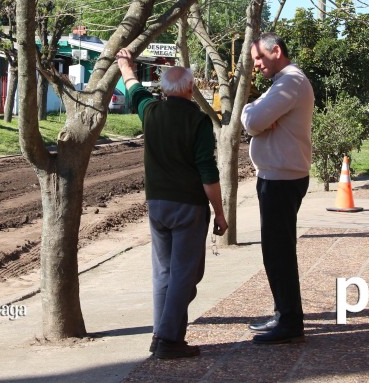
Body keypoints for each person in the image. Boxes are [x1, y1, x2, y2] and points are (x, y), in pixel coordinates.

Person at [116, 49, 228, 360]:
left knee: (163, 272)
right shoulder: (199, 121)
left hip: (157, 206)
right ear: (190, 89)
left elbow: (132, 86)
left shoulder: (150, 112)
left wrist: (125, 64)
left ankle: (161, 335)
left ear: (164, 89)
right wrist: (219, 212)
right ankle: (168, 338)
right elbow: (208, 171)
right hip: (188, 207)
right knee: (185, 275)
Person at [240, 32, 314, 345]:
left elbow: (253, 118)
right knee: (275, 250)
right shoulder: (283, 83)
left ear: (277, 51)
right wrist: (252, 114)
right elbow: (253, 114)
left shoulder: (290, 82)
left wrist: (253, 116)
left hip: (282, 179)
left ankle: (290, 321)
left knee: (278, 251)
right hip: (277, 176)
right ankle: (284, 314)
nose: (255, 65)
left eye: (259, 58)